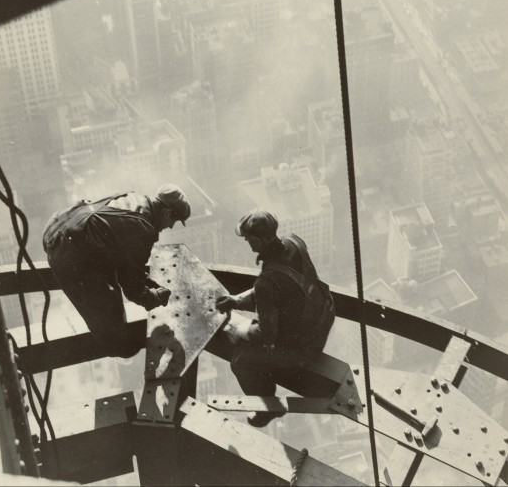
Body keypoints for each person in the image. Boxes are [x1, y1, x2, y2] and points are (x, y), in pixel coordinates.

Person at [216, 209, 335, 427]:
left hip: (303, 348)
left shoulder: (267, 283)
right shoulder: (294, 243)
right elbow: (282, 288)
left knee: (241, 361)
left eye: (249, 239)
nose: (248, 244)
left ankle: (267, 409)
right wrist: (236, 301)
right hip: (321, 319)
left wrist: (238, 331)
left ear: (257, 240)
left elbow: (266, 333)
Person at [43, 183, 190, 357]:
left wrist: (145, 281)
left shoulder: (131, 197)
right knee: (112, 328)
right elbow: (133, 290)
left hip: (56, 229)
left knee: (110, 295)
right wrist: (155, 297)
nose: (171, 226)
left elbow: (125, 262)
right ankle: (115, 348)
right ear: (167, 212)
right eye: (173, 221)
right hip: (68, 252)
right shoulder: (143, 228)